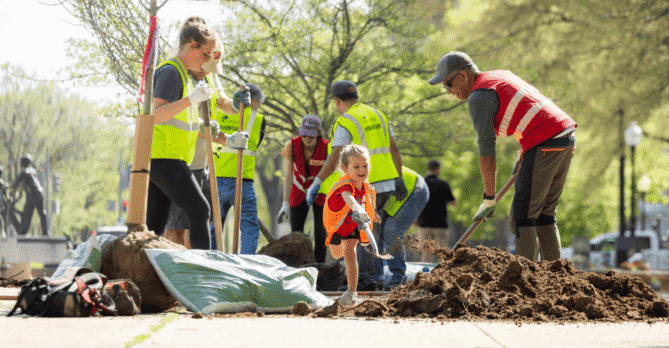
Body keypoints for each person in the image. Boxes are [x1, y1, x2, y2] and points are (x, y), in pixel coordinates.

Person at [428, 51, 576, 262]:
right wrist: (525, 152)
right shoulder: (498, 77)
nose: (448, 91)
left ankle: (528, 280)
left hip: (544, 141)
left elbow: (487, 152)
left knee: (523, 215)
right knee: (544, 214)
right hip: (564, 137)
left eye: (448, 84)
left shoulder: (479, 97)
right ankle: (556, 276)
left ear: (462, 75)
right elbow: (524, 114)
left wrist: (489, 199)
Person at [148, 18, 249, 250]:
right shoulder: (171, 72)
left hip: (168, 158)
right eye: (204, 55)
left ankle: (144, 269)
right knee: (200, 210)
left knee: (154, 225)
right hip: (164, 158)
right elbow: (156, 114)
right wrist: (190, 100)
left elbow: (191, 122)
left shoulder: (187, 76)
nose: (205, 62)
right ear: (191, 45)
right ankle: (202, 270)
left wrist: (226, 139)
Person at [306, 80, 405, 291]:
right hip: (388, 183)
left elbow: (337, 153)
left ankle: (366, 280)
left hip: (367, 186)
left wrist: (317, 181)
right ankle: (379, 278)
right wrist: (399, 177)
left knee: (362, 231)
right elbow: (394, 148)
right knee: (376, 232)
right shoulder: (379, 115)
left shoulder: (346, 120)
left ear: (337, 101)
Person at [209, 83, 266, 254]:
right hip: (242, 181)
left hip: (216, 178)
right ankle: (246, 262)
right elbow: (256, 143)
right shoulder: (258, 119)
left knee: (213, 227)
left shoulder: (218, 114)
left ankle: (210, 261)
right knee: (248, 226)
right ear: (254, 100)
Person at [323, 144, 380, 305]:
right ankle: (346, 287)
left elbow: (367, 202)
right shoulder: (346, 183)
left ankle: (351, 292)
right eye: (356, 166)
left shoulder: (367, 187)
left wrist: (371, 214)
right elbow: (348, 197)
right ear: (344, 168)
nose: (362, 169)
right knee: (336, 253)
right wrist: (356, 208)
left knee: (349, 252)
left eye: (365, 165)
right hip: (337, 225)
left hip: (352, 225)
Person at [278, 115, 329, 263]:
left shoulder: (327, 147)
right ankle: (298, 265)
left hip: (320, 190)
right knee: (297, 235)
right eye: (304, 133)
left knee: (321, 232)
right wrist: (285, 203)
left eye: (311, 135)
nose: (307, 138)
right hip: (299, 190)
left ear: (318, 133)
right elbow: (288, 175)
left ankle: (319, 267)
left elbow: (333, 174)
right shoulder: (291, 146)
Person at [377, 166, 429, 289]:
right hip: (391, 195)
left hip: (414, 190)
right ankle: (376, 278)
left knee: (391, 230)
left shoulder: (365, 175)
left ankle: (398, 278)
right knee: (377, 233)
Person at [414, 159, 456, 262]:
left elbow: (414, 205)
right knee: (441, 254)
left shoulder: (420, 184)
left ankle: (424, 276)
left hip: (424, 224)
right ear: (438, 169)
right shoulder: (443, 184)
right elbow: (453, 203)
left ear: (428, 169)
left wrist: (415, 222)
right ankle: (441, 275)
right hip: (440, 225)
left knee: (426, 254)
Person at [12, 154, 47, 236]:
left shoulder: (24, 172)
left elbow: (15, 185)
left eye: (21, 162)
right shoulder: (33, 171)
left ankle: (23, 231)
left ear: (23, 163)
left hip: (33, 194)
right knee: (41, 212)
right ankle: (45, 231)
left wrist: (12, 195)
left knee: (27, 213)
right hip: (40, 192)